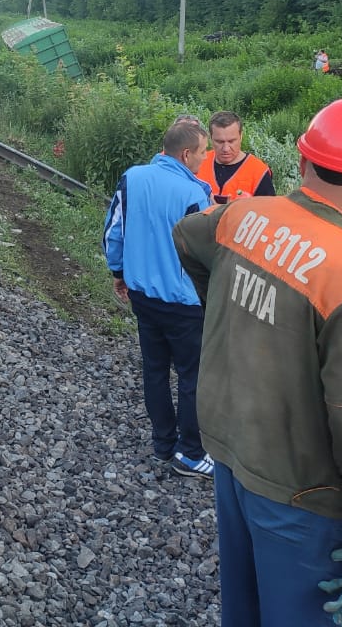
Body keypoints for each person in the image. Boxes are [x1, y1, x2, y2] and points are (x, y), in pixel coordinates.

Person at [173, 98, 342, 626]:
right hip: (302, 490)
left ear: (302, 163)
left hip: (232, 455)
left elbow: (187, 237)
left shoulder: (243, 215)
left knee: (244, 607)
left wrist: (225, 309)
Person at [102, 119, 214, 479]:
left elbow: (114, 231)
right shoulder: (194, 195)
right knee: (192, 377)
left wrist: (118, 274)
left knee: (154, 371)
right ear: (185, 153)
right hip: (184, 304)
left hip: (143, 297)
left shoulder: (132, 179)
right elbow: (208, 256)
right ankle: (192, 453)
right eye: (201, 152)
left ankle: (163, 445)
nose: (203, 158)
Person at [196, 111, 275, 204]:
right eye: (219, 142)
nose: (226, 148)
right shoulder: (198, 161)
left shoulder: (259, 171)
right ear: (210, 138)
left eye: (231, 141)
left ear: (241, 136)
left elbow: (268, 213)